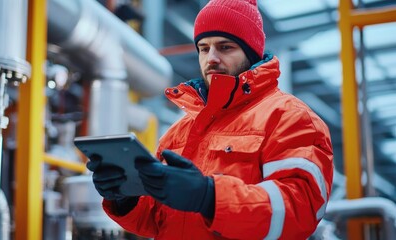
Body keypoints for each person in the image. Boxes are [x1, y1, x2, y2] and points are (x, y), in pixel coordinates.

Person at [86, 0, 334, 239]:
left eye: (225, 47)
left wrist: (210, 197)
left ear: (251, 53)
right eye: (204, 48)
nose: (211, 58)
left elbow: (298, 211)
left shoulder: (290, 118)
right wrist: (125, 197)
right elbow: (154, 220)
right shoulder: (179, 131)